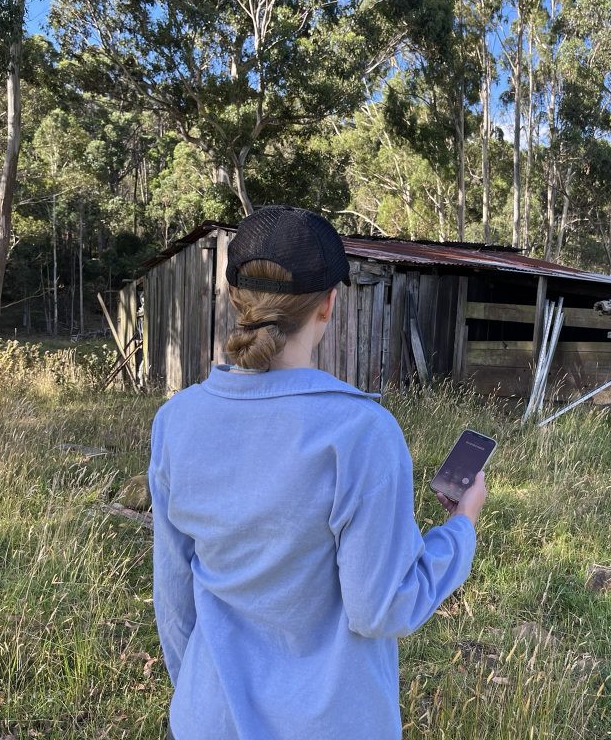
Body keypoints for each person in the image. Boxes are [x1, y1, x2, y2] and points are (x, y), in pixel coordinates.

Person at [148, 205, 487, 739]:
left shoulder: (176, 422)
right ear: (329, 304)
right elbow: (382, 608)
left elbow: (174, 596)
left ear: (236, 299)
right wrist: (461, 528)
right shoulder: (361, 434)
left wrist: (198, 699)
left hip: (206, 721)